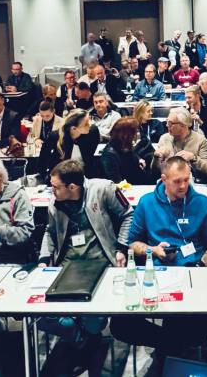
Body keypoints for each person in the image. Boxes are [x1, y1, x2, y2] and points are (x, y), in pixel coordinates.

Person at [111, 156, 207, 373]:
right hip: (157, 273)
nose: (183, 186)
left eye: (187, 180)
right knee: (119, 325)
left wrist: (199, 267)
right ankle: (169, 345)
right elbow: (133, 243)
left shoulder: (203, 204)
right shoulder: (147, 203)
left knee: (189, 329)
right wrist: (154, 250)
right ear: (164, 179)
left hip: (191, 273)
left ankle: (168, 354)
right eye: (177, 181)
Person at [37, 160, 132, 376]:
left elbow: (128, 215)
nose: (52, 191)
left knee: (94, 319)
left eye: (55, 187)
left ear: (72, 187)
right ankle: (80, 338)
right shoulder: (55, 202)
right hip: (66, 265)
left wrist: (121, 248)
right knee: (42, 317)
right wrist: (43, 258)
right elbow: (50, 232)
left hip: (100, 263)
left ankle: (85, 341)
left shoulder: (103, 189)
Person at [152, 107, 207, 178]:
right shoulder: (164, 138)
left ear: (182, 125)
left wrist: (194, 158)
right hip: (169, 180)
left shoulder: (200, 139)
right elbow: (154, 172)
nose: (167, 125)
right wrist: (156, 157)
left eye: (170, 123)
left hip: (192, 180)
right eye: (167, 122)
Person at [40, 109, 101, 178]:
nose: (90, 125)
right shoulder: (55, 136)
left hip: (85, 173)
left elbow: (91, 154)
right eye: (86, 124)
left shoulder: (92, 132)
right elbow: (43, 158)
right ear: (74, 128)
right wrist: (44, 175)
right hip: (61, 174)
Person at [98, 117, 156, 186]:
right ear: (126, 135)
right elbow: (117, 182)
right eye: (135, 132)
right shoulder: (110, 155)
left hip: (135, 185)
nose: (138, 134)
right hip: (123, 189)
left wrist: (139, 159)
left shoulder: (127, 147)